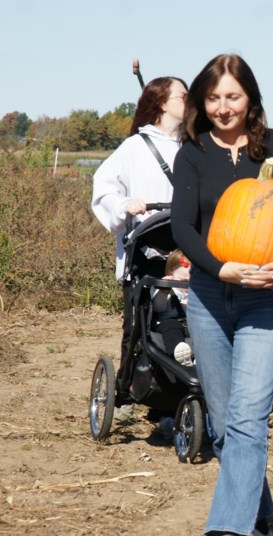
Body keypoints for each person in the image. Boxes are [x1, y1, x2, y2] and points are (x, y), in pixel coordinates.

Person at [171, 54, 273, 536]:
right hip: (208, 297)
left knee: (247, 418)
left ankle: (229, 529)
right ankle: (257, 514)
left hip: (267, 299)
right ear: (203, 100)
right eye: (214, 97)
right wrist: (222, 269)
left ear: (251, 99)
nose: (223, 107)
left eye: (233, 97)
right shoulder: (193, 151)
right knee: (223, 427)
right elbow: (182, 226)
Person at [91, 75, 188, 400]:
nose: (189, 103)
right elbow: (104, 186)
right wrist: (124, 205)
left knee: (187, 320)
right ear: (161, 103)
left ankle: (183, 385)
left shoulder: (194, 148)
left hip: (187, 251)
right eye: (183, 97)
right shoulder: (134, 147)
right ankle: (128, 390)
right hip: (147, 250)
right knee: (138, 326)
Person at [151, 249, 193, 367]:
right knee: (171, 327)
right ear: (171, 273)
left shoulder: (195, 290)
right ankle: (178, 351)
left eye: (191, 281)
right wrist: (163, 292)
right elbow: (158, 308)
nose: (186, 286)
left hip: (191, 324)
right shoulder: (166, 287)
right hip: (169, 323)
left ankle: (200, 357)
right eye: (183, 281)